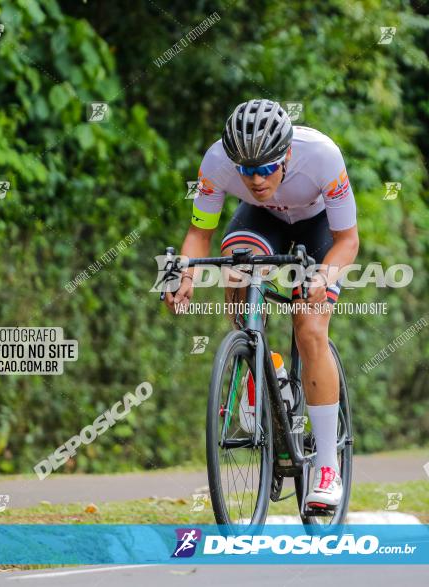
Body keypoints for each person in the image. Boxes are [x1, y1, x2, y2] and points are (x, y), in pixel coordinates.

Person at [163, 99, 359, 508]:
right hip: (261, 220)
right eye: (247, 170)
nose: (255, 179)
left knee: (308, 324)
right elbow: (199, 236)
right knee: (237, 267)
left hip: (319, 225)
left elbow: (347, 242)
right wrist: (180, 277)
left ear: (286, 154)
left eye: (266, 168)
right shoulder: (216, 162)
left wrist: (323, 278)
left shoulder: (322, 156)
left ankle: (326, 466)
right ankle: (261, 367)